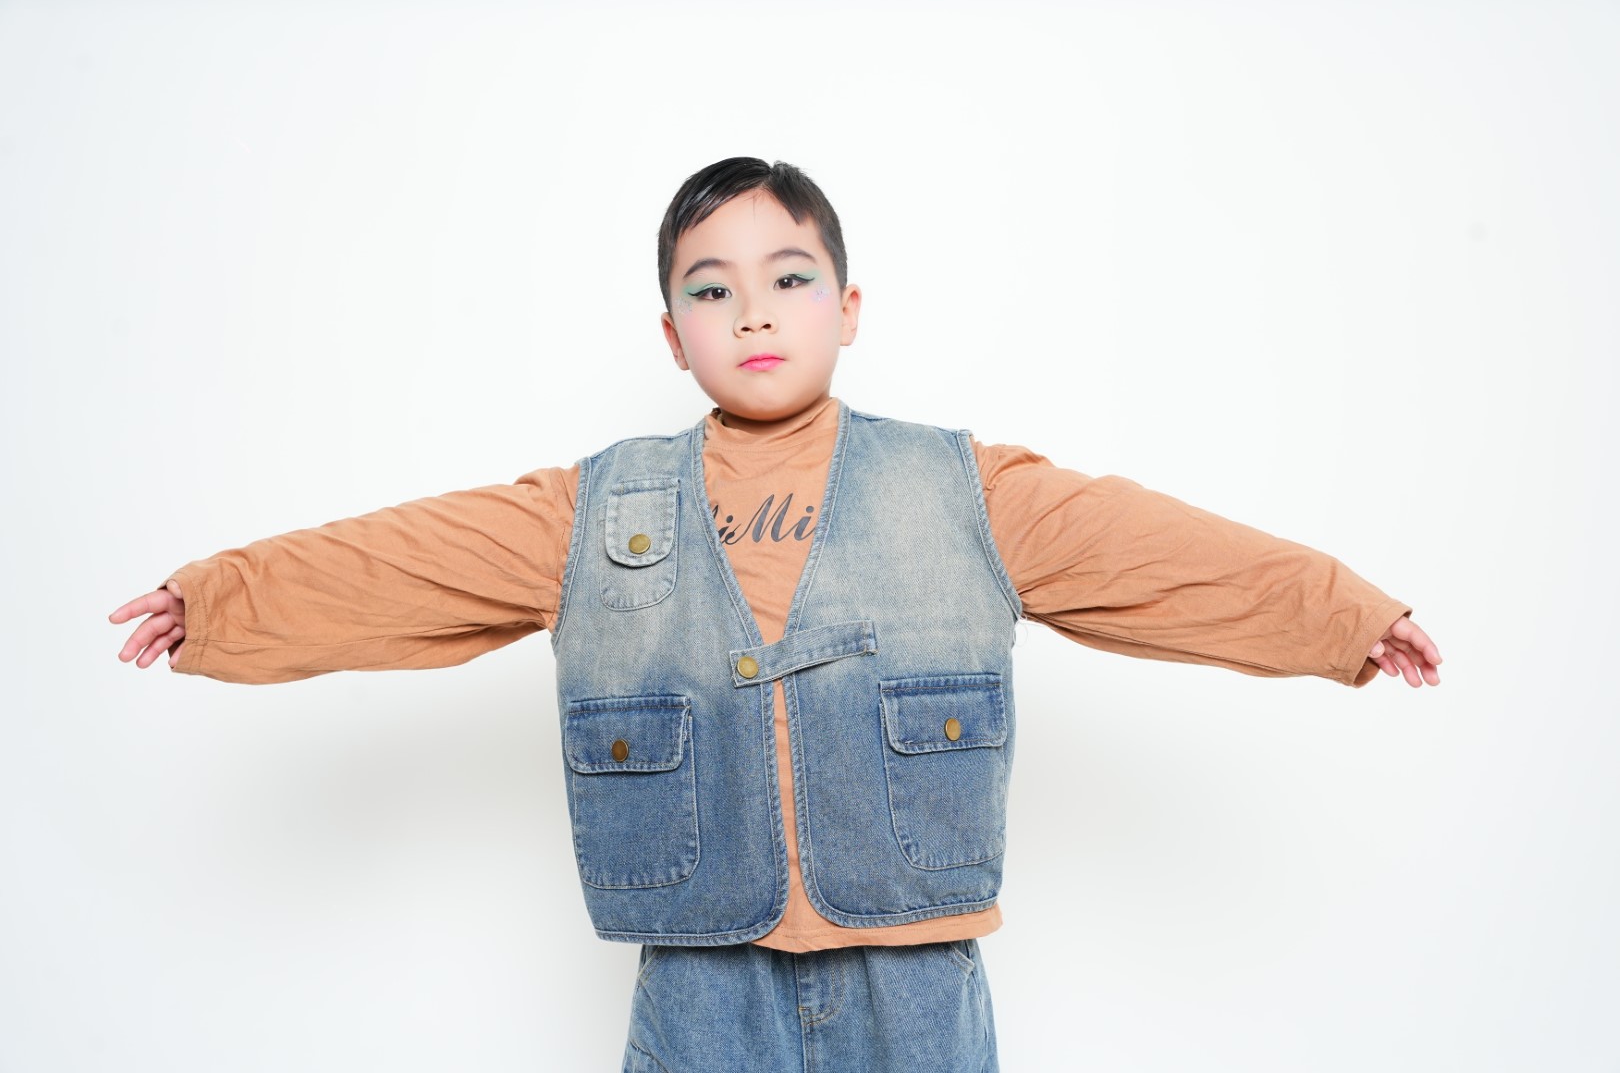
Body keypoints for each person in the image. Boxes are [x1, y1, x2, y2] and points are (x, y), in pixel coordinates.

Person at [110, 157, 1442, 1072]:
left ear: (848, 309)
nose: (752, 310)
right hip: (702, 973)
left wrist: (1341, 617)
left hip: (914, 975)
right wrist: (219, 602)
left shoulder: (966, 490)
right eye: (711, 288)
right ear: (672, 332)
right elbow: (406, 564)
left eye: (789, 277)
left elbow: (1157, 555)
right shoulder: (597, 508)